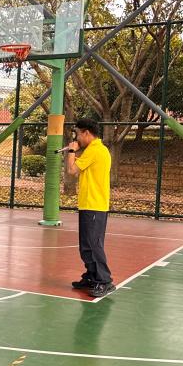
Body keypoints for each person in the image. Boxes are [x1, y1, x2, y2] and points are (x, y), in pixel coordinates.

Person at [66, 118, 115, 297]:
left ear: (86, 132)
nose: (77, 138)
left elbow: (72, 170)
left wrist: (72, 151)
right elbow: (84, 167)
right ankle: (92, 276)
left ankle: (104, 281)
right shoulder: (95, 151)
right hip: (89, 204)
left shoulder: (95, 150)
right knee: (86, 245)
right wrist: (76, 154)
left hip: (94, 205)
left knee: (93, 245)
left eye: (78, 134)